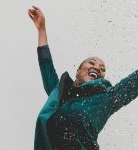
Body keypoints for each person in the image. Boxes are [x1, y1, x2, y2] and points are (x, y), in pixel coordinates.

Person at [28, 6, 138, 150]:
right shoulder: (58, 92)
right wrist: (41, 29)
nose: (97, 67)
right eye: (91, 62)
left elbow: (132, 83)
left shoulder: (105, 98)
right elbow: (46, 65)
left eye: (102, 68)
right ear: (79, 70)